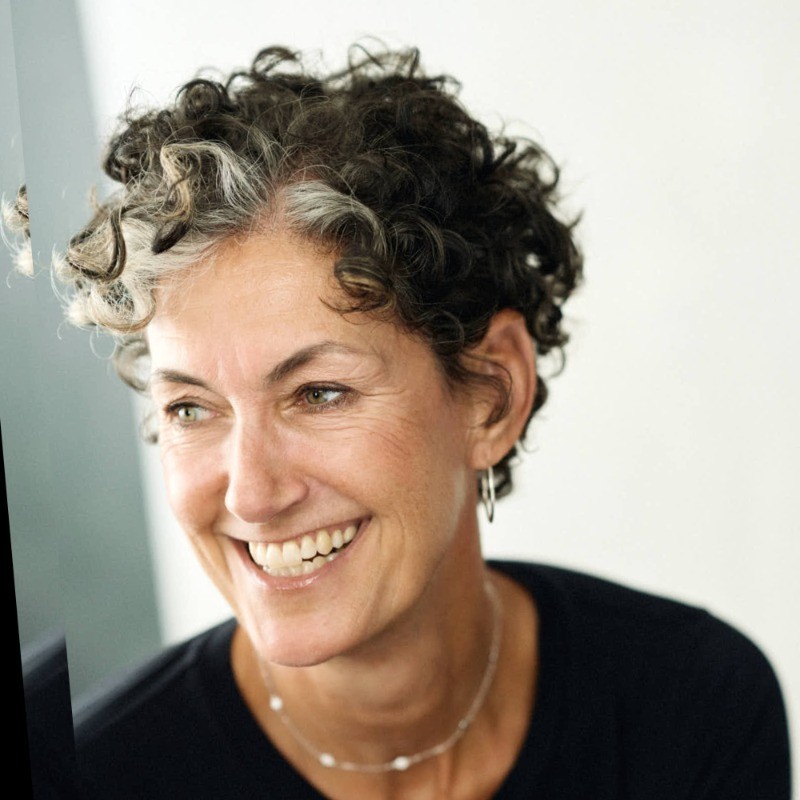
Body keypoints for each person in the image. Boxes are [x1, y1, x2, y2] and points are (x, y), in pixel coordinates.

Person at [48, 45, 789, 798]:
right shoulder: (92, 778)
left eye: (319, 393)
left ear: (492, 394)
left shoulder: (692, 703)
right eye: (190, 408)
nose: (251, 495)